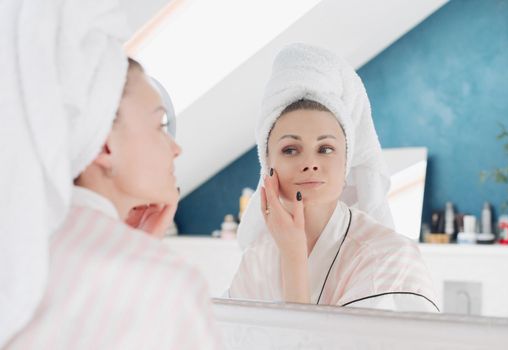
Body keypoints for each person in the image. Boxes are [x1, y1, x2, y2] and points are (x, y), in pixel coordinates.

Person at [1, 0, 220, 348]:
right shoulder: (164, 283)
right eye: (160, 124)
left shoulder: (18, 251)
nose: (175, 148)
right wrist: (141, 252)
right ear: (104, 143)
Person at [228, 43, 438, 312]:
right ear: (268, 167)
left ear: (346, 164)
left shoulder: (389, 257)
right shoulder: (258, 258)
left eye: (325, 149)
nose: (310, 163)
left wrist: (294, 258)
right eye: (290, 150)